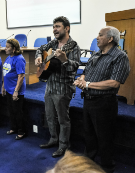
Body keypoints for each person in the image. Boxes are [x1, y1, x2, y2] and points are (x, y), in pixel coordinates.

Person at [73, 26, 130, 173]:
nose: (97, 37)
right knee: (89, 135)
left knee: (105, 139)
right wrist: (81, 79)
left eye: (100, 35)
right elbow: (85, 72)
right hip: (88, 100)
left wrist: (88, 84)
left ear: (110, 39)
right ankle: (88, 164)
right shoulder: (96, 54)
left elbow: (114, 82)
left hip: (104, 103)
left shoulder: (120, 56)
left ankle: (107, 167)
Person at [35, 16, 80, 157]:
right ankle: (53, 139)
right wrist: (38, 57)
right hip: (50, 85)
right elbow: (40, 49)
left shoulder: (73, 46)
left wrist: (65, 60)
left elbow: (75, 67)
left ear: (67, 28)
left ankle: (63, 145)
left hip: (63, 87)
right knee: (49, 116)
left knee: (62, 119)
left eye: (58, 26)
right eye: (54, 26)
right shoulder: (53, 43)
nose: (54, 29)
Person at [3, 38, 26, 140]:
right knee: (11, 110)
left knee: (18, 111)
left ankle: (21, 131)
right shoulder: (9, 57)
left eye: (7, 47)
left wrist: (16, 91)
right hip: (8, 89)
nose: (5, 49)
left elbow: (21, 76)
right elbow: (6, 73)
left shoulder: (19, 59)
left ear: (14, 49)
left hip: (16, 90)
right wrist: (4, 86)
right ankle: (14, 128)